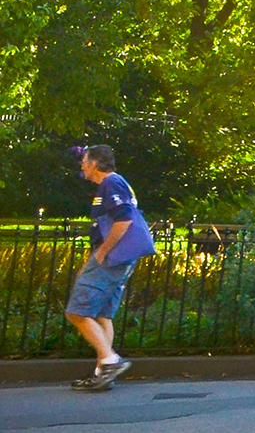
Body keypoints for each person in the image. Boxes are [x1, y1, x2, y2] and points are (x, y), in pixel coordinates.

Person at [67, 146, 154, 392]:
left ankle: (109, 360)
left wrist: (103, 251)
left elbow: (124, 218)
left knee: (77, 311)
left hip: (111, 257)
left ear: (95, 163)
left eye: (84, 161)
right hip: (120, 259)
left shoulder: (110, 183)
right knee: (103, 314)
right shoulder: (116, 184)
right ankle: (101, 373)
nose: (82, 165)